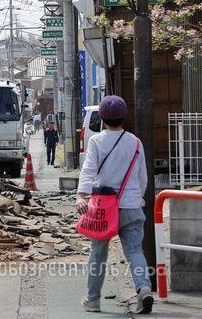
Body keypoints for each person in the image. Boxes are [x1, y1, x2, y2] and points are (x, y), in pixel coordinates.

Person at [76, 95, 152, 315]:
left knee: (98, 253)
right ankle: (144, 288)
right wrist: (139, 199)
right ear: (123, 116)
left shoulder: (96, 141)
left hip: (102, 208)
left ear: (102, 117)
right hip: (131, 205)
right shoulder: (135, 142)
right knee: (135, 250)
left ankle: (92, 300)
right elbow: (142, 177)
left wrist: (81, 196)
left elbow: (89, 170)